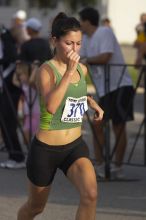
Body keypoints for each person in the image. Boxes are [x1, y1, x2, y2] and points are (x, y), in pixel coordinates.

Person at [17, 12, 104, 220]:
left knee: (90, 194)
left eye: (79, 43)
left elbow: (75, 97)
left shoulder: (82, 70)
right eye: (69, 43)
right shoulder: (45, 70)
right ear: (54, 41)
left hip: (74, 146)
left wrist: (91, 103)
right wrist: (67, 72)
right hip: (46, 149)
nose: (75, 49)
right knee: (35, 207)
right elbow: (52, 106)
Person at [79, 7, 134, 178]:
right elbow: (80, 58)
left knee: (118, 126)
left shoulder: (104, 32)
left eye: (80, 21)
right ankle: (99, 163)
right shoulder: (86, 39)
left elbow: (105, 57)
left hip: (119, 85)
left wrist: (86, 60)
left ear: (87, 21)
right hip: (103, 88)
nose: (79, 24)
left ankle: (118, 166)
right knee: (97, 124)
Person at [0, 26, 25, 169]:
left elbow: (10, 58)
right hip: (6, 87)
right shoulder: (5, 38)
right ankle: (13, 155)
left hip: (10, 88)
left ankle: (17, 156)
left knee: (9, 122)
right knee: (5, 122)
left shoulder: (6, 39)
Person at [13, 62, 40, 144]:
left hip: (35, 112)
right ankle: (31, 152)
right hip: (27, 112)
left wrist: (35, 68)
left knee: (31, 135)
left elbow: (31, 80)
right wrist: (16, 67)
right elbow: (14, 81)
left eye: (21, 75)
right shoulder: (23, 85)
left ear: (27, 74)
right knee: (26, 139)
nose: (19, 77)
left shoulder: (32, 85)